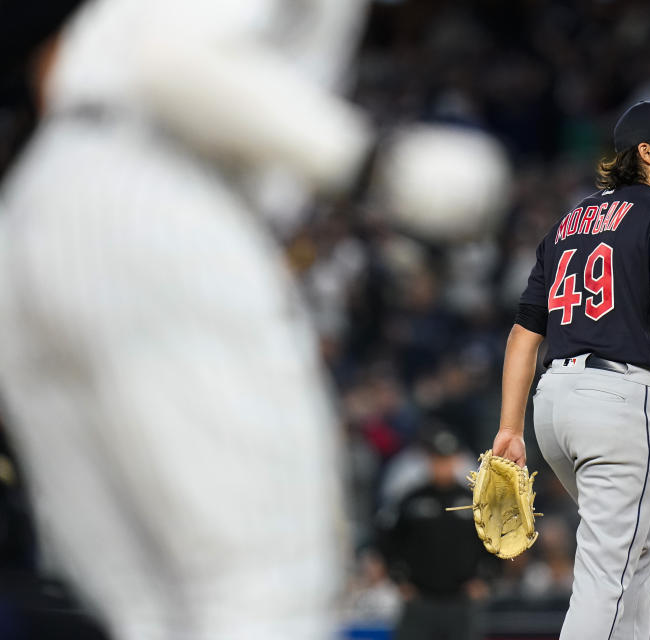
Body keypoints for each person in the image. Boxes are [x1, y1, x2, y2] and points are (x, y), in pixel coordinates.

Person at [0, 1, 374, 638]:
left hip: (39, 203)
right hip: (159, 187)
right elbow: (171, 60)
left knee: (156, 610)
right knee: (264, 585)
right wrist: (364, 161)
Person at [490, 99, 650, 640]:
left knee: (640, 542)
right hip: (617, 401)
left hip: (554, 405)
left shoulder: (568, 224)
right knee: (608, 572)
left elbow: (524, 333)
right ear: (646, 153)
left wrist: (510, 427)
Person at [376, 429, 491, 640]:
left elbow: (493, 542)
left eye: (447, 460)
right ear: (428, 461)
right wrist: (399, 579)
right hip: (420, 598)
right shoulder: (411, 500)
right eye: (437, 460)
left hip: (461, 599)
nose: (442, 466)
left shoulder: (474, 501)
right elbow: (388, 540)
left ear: (456, 460)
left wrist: (487, 579)